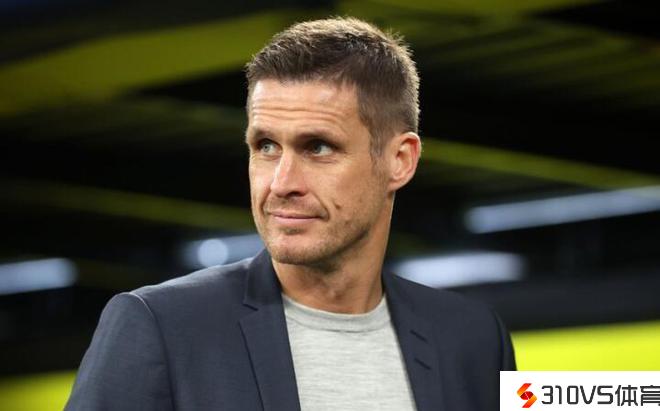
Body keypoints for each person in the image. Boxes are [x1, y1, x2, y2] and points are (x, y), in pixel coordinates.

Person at [65, 17, 515, 411]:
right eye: (265, 146)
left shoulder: (475, 339)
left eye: (317, 147)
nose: (281, 183)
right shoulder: (160, 326)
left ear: (400, 160)